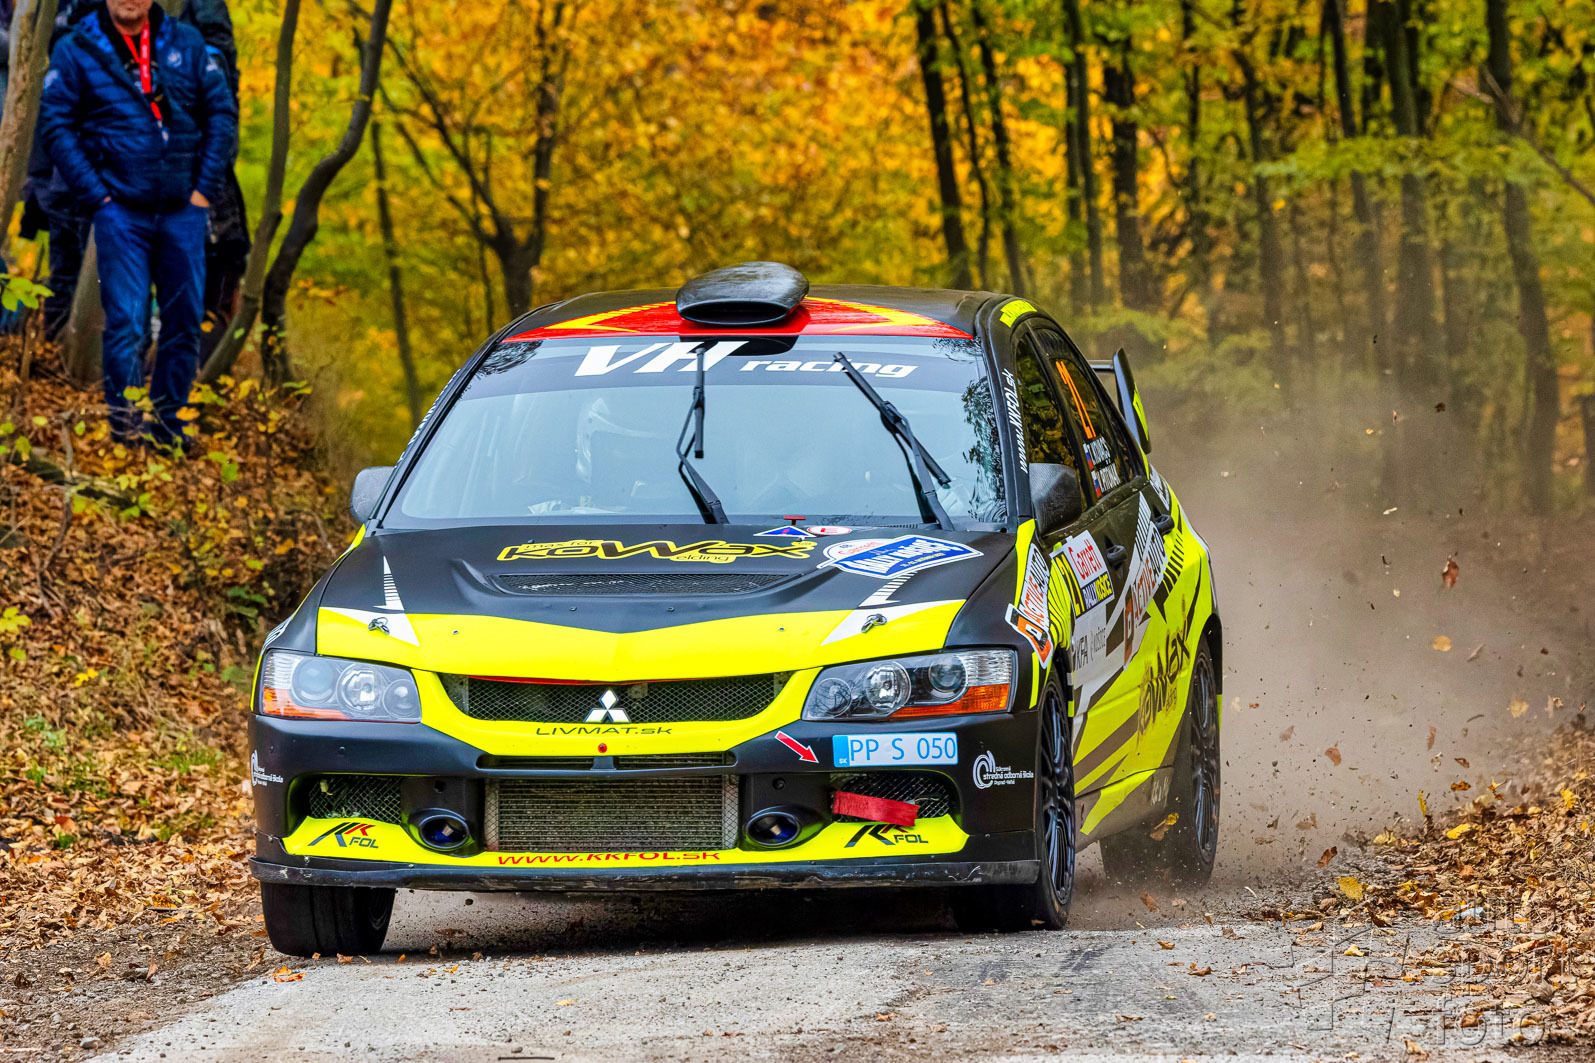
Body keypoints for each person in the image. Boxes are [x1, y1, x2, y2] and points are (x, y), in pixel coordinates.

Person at [38, 0, 237, 446]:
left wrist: (203, 190)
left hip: (183, 210)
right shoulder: (77, 48)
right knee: (127, 323)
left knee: (183, 321)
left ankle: (168, 428)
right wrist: (98, 196)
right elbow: (55, 124)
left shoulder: (186, 42)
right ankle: (126, 433)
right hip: (120, 212)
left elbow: (221, 112)